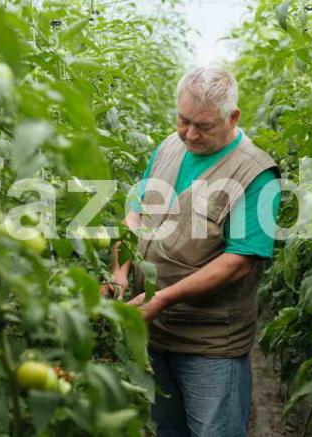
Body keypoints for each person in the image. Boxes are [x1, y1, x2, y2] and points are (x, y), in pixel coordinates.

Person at [105, 67, 281, 436]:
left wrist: (164, 298)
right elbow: (135, 211)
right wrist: (119, 270)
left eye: (203, 126)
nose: (189, 133)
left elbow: (239, 263)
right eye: (183, 121)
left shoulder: (256, 174)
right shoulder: (170, 147)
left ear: (232, 117)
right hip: (151, 332)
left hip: (209, 345)